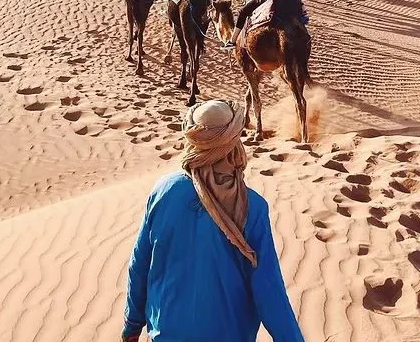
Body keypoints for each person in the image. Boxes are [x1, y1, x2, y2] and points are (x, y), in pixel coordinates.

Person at [122, 99, 305, 342]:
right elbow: (268, 290)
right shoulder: (251, 207)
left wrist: (132, 325)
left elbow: (139, 264)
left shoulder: (163, 192)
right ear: (233, 144)